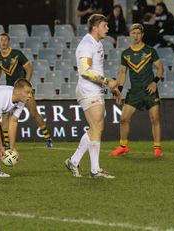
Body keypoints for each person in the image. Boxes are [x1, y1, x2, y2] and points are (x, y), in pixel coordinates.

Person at [64, 14, 120, 179]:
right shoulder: (87, 44)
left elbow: (97, 69)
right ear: (95, 28)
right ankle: (94, 170)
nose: (107, 28)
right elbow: (85, 71)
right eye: (104, 25)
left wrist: (110, 87)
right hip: (88, 90)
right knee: (96, 127)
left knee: (97, 128)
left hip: (95, 90)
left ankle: (74, 161)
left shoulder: (97, 43)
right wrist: (107, 81)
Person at [0, 33, 53, 148]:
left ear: (8, 41)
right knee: (5, 115)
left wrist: (26, 85)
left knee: (34, 113)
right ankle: (7, 143)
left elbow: (29, 69)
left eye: (5, 40)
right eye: (1, 40)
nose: (3, 42)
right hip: (10, 90)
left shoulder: (16, 54)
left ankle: (47, 137)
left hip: (23, 89)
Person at [110, 24, 164, 158]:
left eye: (138, 33)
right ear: (130, 34)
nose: (136, 35)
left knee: (155, 119)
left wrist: (154, 82)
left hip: (149, 90)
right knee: (123, 119)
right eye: (133, 33)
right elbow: (122, 72)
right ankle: (123, 146)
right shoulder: (126, 54)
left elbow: (160, 68)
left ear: (142, 34)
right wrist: (119, 89)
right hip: (134, 91)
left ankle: (157, 148)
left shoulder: (150, 51)